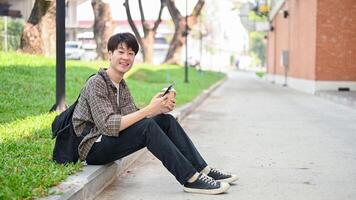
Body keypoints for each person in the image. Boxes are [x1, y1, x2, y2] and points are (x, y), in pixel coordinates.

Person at [72, 32, 237, 195]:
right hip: (92, 148)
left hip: (109, 140)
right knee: (148, 127)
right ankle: (190, 179)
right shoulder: (96, 83)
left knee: (166, 120)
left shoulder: (121, 85)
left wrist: (158, 110)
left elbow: (134, 119)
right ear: (110, 54)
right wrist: (149, 110)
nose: (126, 58)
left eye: (131, 53)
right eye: (121, 52)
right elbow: (108, 126)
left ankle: (203, 169)